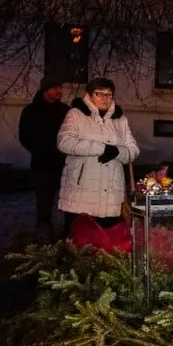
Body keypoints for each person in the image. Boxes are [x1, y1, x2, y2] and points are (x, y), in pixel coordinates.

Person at [57, 77, 139, 231]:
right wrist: (101, 148)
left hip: (112, 195)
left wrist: (117, 152)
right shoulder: (76, 115)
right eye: (99, 94)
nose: (104, 99)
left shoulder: (120, 119)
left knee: (109, 245)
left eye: (109, 95)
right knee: (80, 245)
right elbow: (65, 142)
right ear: (89, 95)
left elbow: (133, 150)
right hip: (82, 194)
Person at [18, 75, 69, 240]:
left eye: (60, 88)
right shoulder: (31, 111)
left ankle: (68, 237)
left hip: (64, 165)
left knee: (69, 203)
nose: (59, 91)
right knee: (44, 206)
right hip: (43, 165)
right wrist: (41, 151)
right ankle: (44, 241)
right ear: (45, 89)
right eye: (55, 88)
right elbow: (25, 136)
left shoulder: (65, 111)